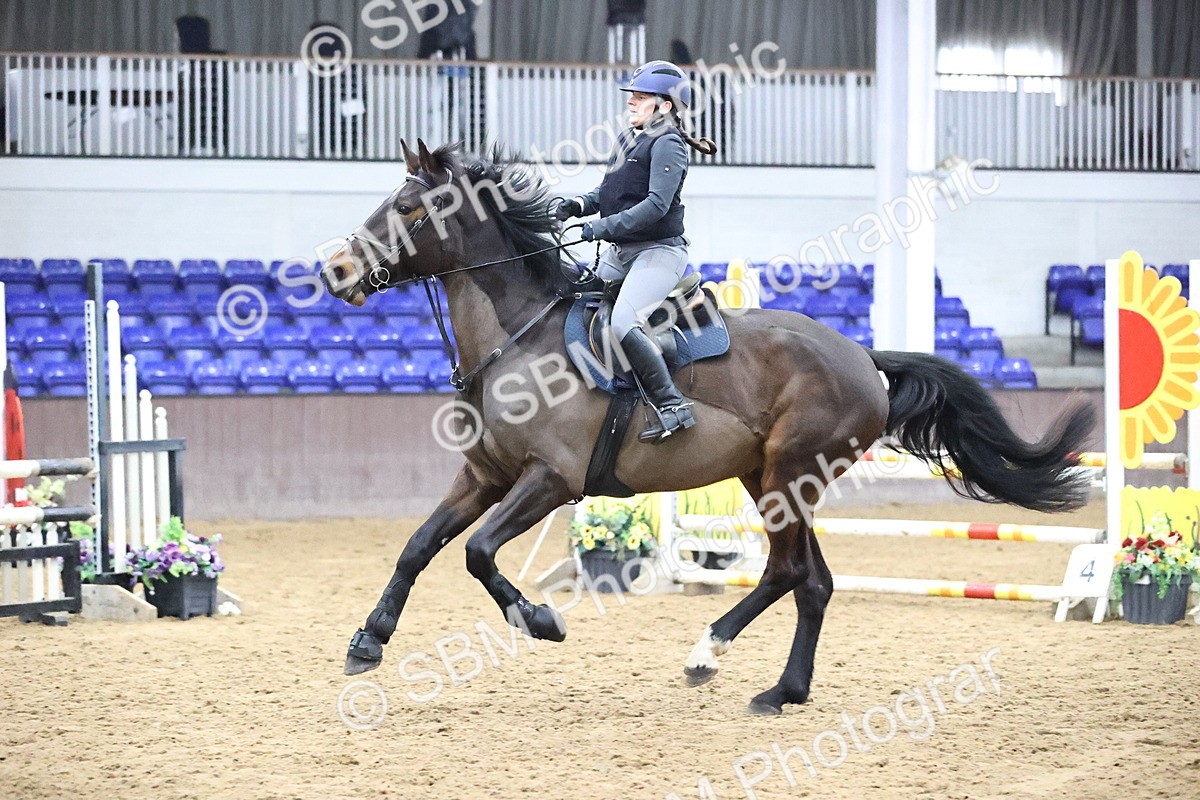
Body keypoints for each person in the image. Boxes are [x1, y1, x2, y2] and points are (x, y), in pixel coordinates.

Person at [556, 60, 716, 444]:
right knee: (570, 297)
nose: (631, 102)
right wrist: (578, 205)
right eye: (632, 96)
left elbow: (655, 206)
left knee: (623, 322)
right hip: (620, 253)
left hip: (658, 253)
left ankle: (672, 405)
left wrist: (599, 228)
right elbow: (609, 192)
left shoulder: (669, 144)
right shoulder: (629, 138)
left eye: (640, 97)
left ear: (665, 105)